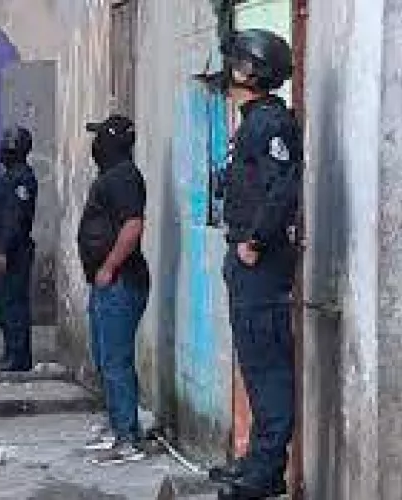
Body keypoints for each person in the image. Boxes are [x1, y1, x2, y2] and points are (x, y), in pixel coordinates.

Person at [203, 29, 302, 500]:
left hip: (260, 263)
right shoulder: (254, 121)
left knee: (268, 368)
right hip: (248, 263)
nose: (228, 72)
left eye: (235, 63)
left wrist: (255, 242)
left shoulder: (270, 124)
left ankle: (266, 472)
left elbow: (283, 188)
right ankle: (259, 462)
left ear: (250, 71)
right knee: (256, 365)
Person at [77, 114, 149, 465]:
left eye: (100, 137)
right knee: (105, 357)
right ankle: (117, 425)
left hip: (120, 281)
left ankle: (128, 439)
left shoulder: (122, 178)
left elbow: (133, 225)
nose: (95, 144)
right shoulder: (113, 176)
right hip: (107, 282)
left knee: (116, 360)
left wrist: (109, 266)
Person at [0, 127, 38, 372]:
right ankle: (9, 352)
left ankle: (18, 356)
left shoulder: (22, 179)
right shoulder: (8, 177)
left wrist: (3, 249)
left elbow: (15, 219)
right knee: (4, 304)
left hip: (15, 250)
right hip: (1, 246)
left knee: (14, 303)